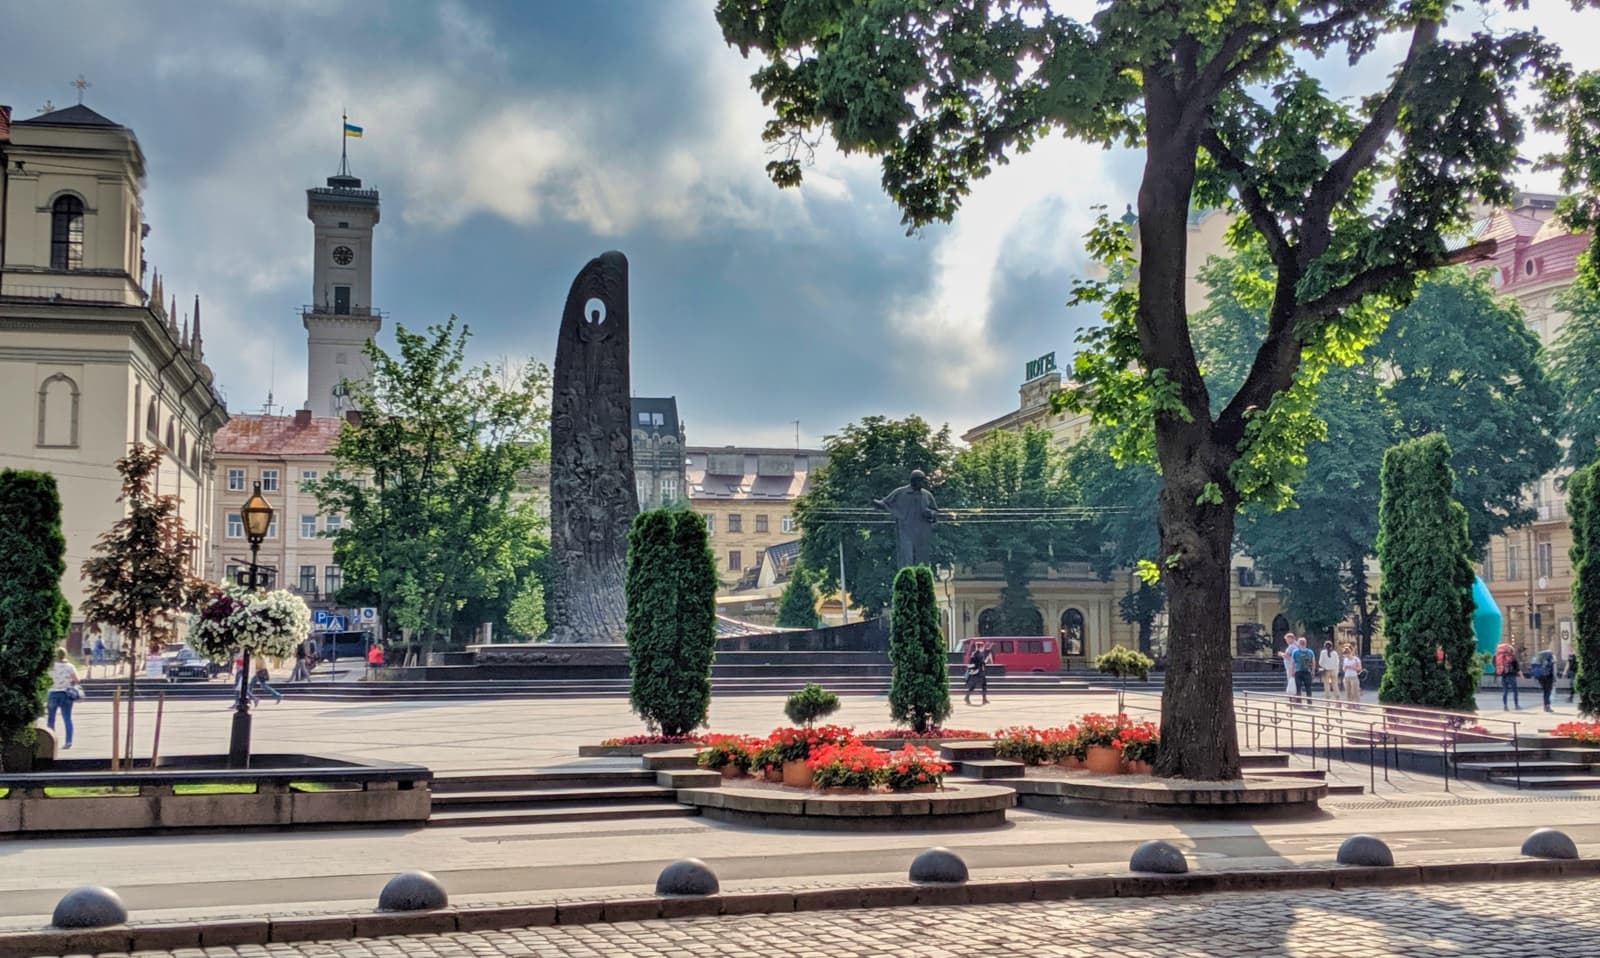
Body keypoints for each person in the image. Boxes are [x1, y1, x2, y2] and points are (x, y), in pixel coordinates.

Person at [45, 648, 81, 749]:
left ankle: (51, 743)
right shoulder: (70, 666)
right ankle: (68, 742)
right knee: (67, 718)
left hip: (53, 693)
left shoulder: (51, 667)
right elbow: (77, 680)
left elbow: (46, 679)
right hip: (66, 694)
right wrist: (70, 682)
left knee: (51, 719)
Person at [1494, 638, 1522, 710]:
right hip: (1512, 676)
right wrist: (1522, 676)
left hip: (1503, 676)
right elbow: (1517, 668)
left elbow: (1494, 663)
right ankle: (1516, 705)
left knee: (1505, 691)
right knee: (1515, 691)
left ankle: (1505, 706)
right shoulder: (1512, 657)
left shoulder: (1498, 656)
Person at [964, 640, 991, 706]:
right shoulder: (978, 654)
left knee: (979, 685)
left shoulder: (975, 653)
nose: (983, 648)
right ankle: (967, 697)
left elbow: (972, 663)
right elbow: (981, 663)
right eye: (983, 647)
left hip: (977, 672)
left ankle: (983, 699)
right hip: (978, 672)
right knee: (980, 685)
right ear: (980, 647)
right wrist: (987, 659)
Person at [1291, 637, 1315, 704]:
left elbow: (1292, 662)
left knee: (1298, 688)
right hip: (1307, 671)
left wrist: (1292, 671)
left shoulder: (1295, 651)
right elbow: (1313, 662)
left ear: (1299, 643)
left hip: (1298, 671)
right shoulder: (1310, 651)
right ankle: (1309, 702)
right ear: (1305, 643)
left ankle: (1299, 702)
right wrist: (1313, 671)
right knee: (1308, 688)